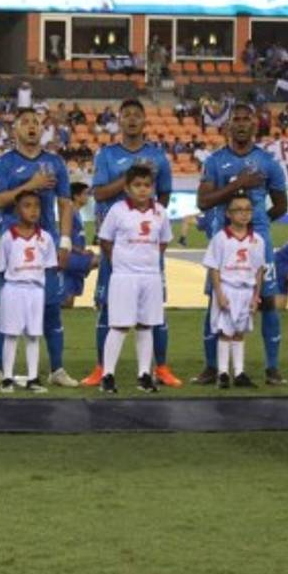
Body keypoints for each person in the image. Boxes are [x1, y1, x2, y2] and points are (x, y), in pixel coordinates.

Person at [0, 109, 78, 388]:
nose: (31, 127)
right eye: (25, 122)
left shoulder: (55, 162)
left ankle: (57, 369)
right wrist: (32, 185)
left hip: (44, 246)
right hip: (13, 247)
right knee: (5, 308)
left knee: (51, 308)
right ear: (15, 131)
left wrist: (66, 240)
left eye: (36, 122)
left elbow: (65, 203)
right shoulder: (4, 162)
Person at [87, 99, 179, 388]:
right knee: (108, 307)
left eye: (136, 116)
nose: (131, 120)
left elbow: (163, 196)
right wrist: (129, 178)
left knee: (152, 313)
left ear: (144, 120)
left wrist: (150, 223)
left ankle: (159, 368)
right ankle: (102, 369)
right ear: (119, 120)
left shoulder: (158, 157)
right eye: (125, 115)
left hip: (146, 248)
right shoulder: (107, 155)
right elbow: (100, 194)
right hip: (118, 246)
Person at [195, 104, 288, 385]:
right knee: (216, 300)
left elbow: (282, 205)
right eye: (236, 119)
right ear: (227, 126)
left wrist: (257, 227)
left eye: (247, 119)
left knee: (267, 300)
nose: (242, 124)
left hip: (257, 242)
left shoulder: (269, 162)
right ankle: (212, 367)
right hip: (223, 240)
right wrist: (239, 184)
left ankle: (272, 368)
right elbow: (203, 201)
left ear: (255, 125)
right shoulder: (214, 161)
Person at [96, 165, 169, 394]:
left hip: (150, 276)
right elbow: (105, 240)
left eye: (147, 185)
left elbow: (164, 240)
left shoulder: (160, 212)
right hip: (124, 276)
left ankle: (144, 375)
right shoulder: (118, 210)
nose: (142, 190)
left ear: (153, 187)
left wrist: (149, 260)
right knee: (119, 326)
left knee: (146, 326)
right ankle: (107, 375)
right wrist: (120, 261)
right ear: (127, 188)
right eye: (137, 185)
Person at [0, 191, 57, 394]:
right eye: (27, 205)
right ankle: (7, 377)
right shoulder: (7, 237)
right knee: (11, 335)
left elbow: (49, 266)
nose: (33, 210)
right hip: (13, 289)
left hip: (35, 291)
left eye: (36, 206)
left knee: (33, 335)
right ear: (17, 210)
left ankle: (33, 378)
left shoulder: (45, 238)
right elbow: (2, 268)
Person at [203, 195, 267, 389]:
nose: (244, 214)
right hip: (227, 288)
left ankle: (239, 373)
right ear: (228, 214)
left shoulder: (257, 240)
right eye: (238, 210)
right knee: (225, 332)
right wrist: (219, 294)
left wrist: (256, 296)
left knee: (239, 332)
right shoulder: (221, 238)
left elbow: (258, 270)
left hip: (246, 291)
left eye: (248, 209)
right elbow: (213, 268)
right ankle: (223, 373)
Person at [61, 182, 98, 307]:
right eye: (86, 194)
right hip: (71, 256)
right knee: (103, 260)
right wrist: (81, 251)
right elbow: (63, 236)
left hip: (75, 254)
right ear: (76, 196)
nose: (88, 197)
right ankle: (103, 298)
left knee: (68, 301)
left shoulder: (77, 213)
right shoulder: (70, 212)